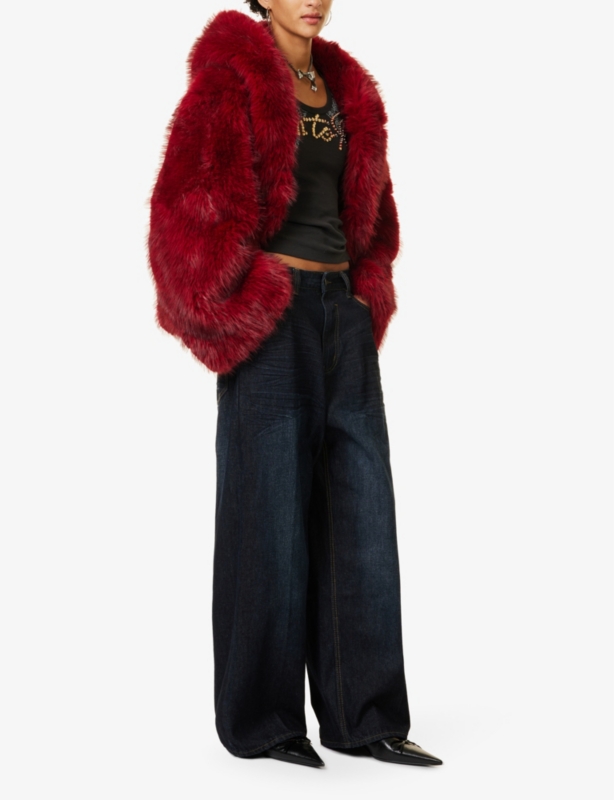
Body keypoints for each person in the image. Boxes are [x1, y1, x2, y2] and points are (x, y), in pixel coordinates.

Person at [147, 1, 443, 770]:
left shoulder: (347, 90)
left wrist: (364, 296)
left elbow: (374, 214)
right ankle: (265, 720)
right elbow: (181, 213)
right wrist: (239, 308)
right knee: (267, 519)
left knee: (362, 512)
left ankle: (365, 717)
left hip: (342, 314)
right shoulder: (229, 82)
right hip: (272, 318)